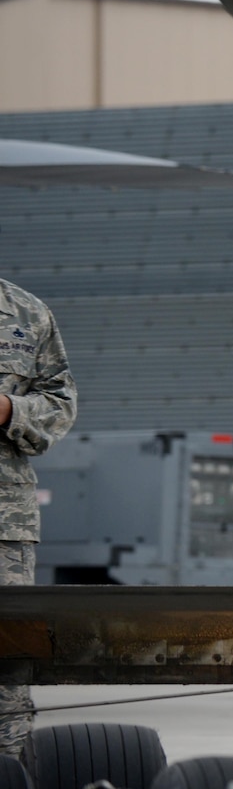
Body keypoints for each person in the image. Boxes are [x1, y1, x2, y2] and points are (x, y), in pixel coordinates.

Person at [0, 278, 78, 758]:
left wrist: (10, 408)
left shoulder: (27, 312)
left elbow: (61, 400)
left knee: (7, 660)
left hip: (3, 528)